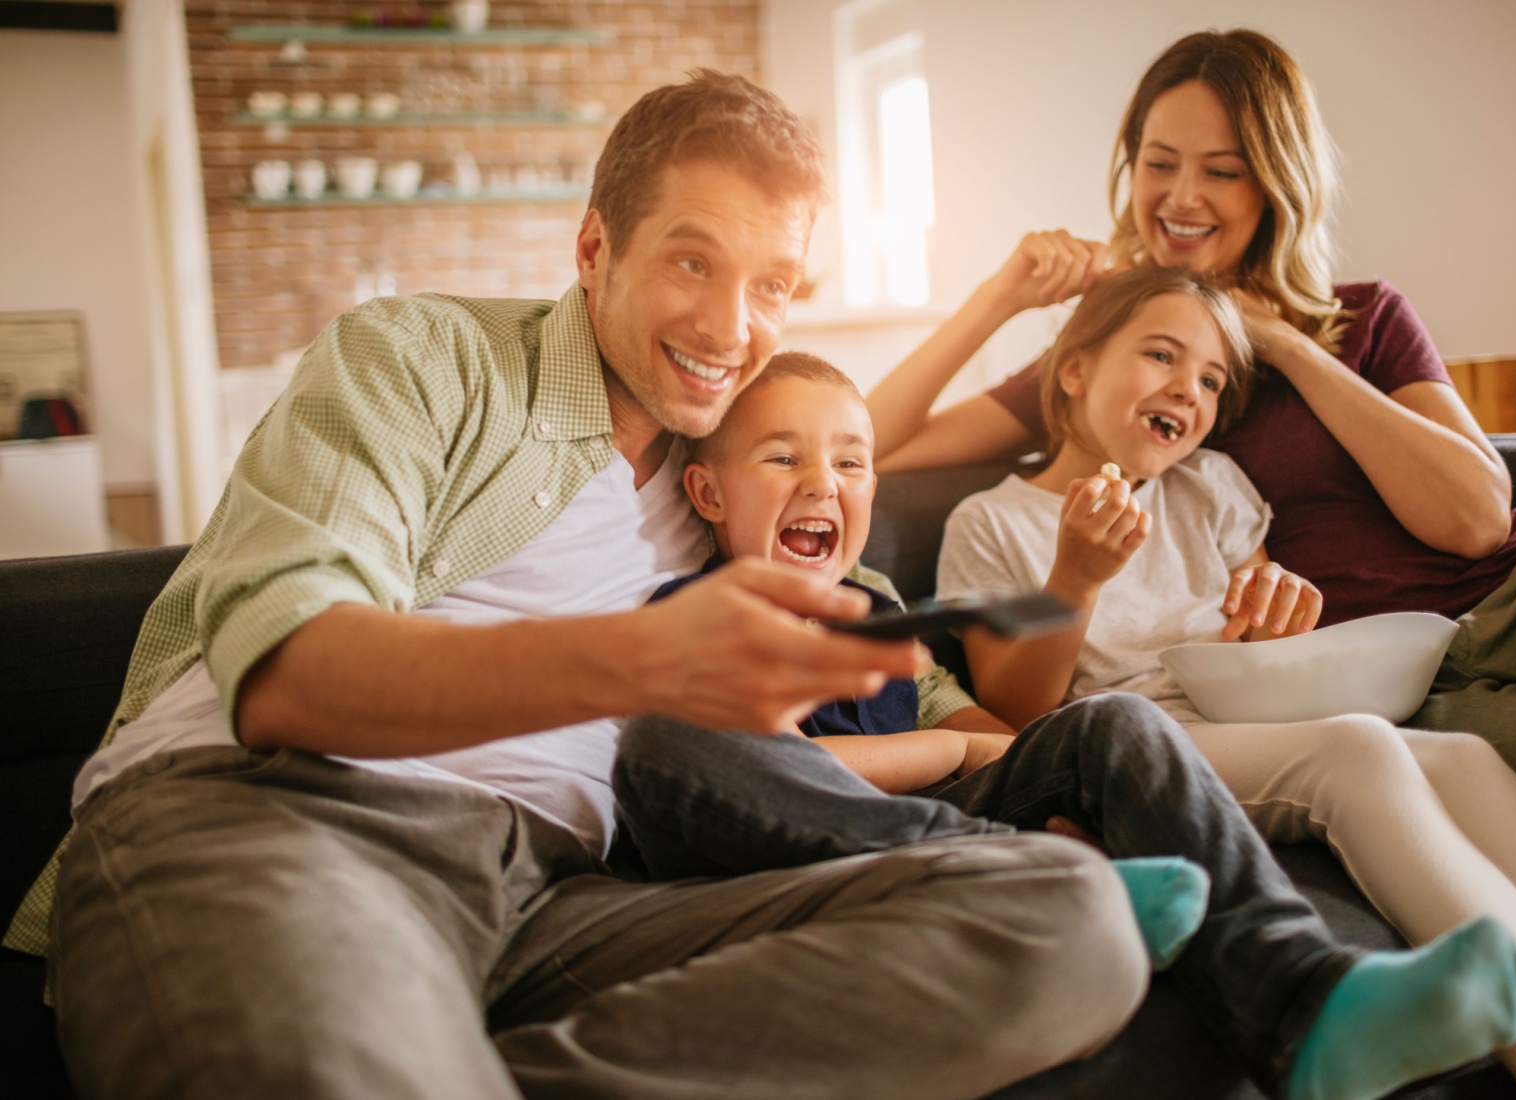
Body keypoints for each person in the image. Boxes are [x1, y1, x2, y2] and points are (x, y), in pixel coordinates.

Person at [4, 72, 1168, 1100]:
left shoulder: (732, 480)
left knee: (1069, 919)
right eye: (693, 261)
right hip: (282, 827)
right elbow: (285, 671)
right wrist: (650, 659)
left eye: (775, 285)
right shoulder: (420, 359)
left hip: (555, 894)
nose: (730, 327)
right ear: (595, 249)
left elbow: (853, 441)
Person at [862, 27, 1516, 924]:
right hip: (1426, 681)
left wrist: (1278, 341)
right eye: (1160, 164)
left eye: (1224, 170)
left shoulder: (1363, 319)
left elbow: (1475, 519)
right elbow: (872, 448)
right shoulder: (1121, 371)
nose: (1183, 196)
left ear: (1275, 182)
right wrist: (1000, 295)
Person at [613, 348, 1516, 1100]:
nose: (824, 483)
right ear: (706, 495)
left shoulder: (876, 602)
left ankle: (1309, 1001)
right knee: (715, 753)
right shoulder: (695, 613)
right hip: (797, 840)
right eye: (783, 459)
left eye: (850, 462)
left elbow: (992, 732)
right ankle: (1032, 879)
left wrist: (1074, 780)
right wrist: (949, 750)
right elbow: (782, 771)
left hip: (944, 820)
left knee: (1110, 723)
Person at [933, 265, 1516, 1100]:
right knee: (1356, 751)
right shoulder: (990, 521)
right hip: (1135, 745)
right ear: (1075, 369)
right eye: (1161, 355)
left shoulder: (1212, 487)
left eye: (1209, 379)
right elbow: (1017, 709)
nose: (1188, 389)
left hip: (1236, 714)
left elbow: (1259, 626)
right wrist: (1076, 580)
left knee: (1463, 758)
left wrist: (1270, 626)